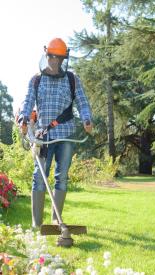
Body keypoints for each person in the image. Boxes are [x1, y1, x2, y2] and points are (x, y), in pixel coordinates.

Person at [18, 38, 92, 228]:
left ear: (63, 59)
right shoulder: (37, 79)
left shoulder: (71, 79)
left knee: (62, 177)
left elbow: (83, 103)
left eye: (58, 58)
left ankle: (55, 220)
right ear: (46, 56)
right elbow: (27, 103)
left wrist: (86, 119)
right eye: (51, 57)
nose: (54, 61)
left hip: (66, 135)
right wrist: (23, 119)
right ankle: (37, 223)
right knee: (39, 177)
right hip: (44, 136)